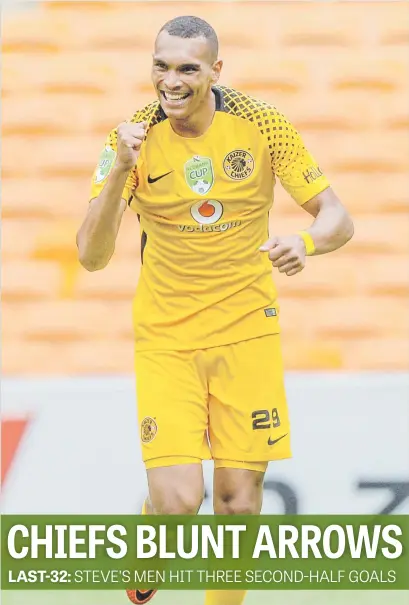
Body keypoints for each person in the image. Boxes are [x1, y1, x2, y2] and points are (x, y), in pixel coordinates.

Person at [76, 14, 354, 605]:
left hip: (247, 333)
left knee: (238, 503)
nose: (170, 81)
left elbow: (336, 218)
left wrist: (301, 243)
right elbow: (91, 256)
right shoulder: (129, 138)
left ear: (215, 71)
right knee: (179, 504)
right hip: (167, 338)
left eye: (186, 68)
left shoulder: (263, 125)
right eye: (161, 66)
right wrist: (121, 168)